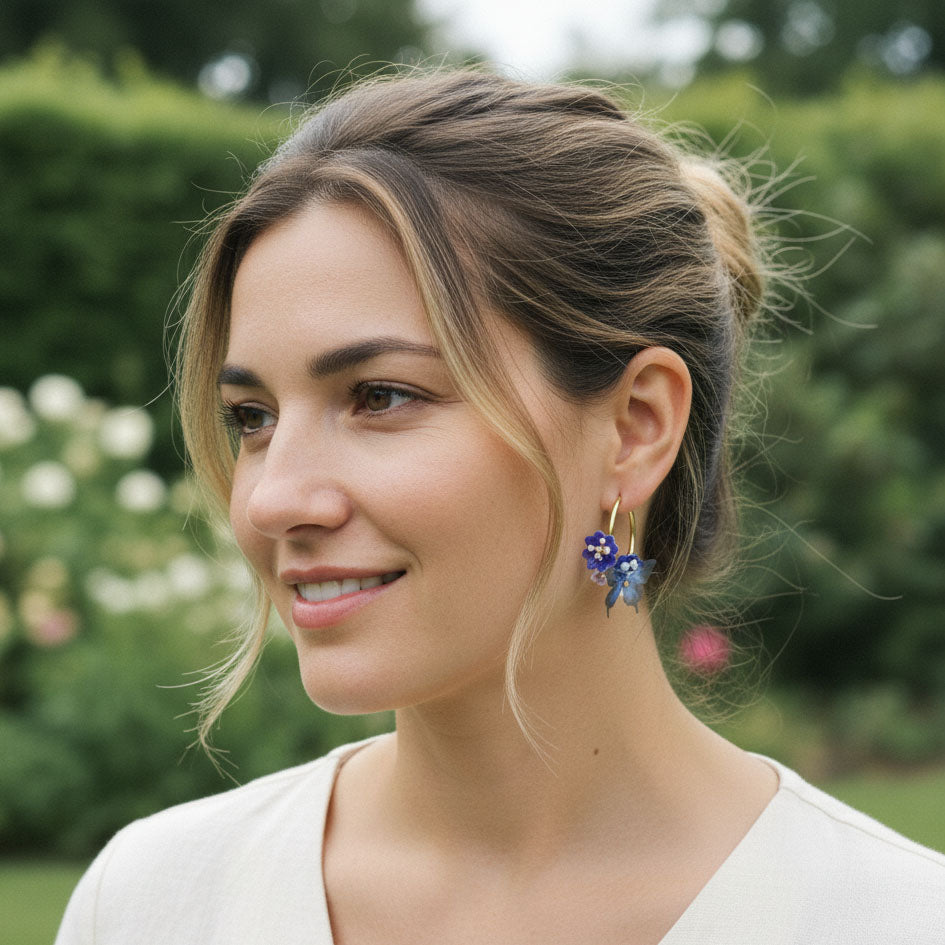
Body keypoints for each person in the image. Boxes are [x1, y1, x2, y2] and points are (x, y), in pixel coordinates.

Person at [56, 69, 944, 944]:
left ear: (636, 426)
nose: (275, 497)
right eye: (251, 417)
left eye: (380, 396)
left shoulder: (895, 920)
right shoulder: (152, 904)